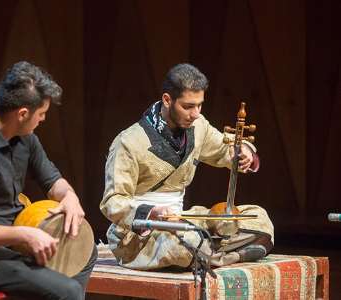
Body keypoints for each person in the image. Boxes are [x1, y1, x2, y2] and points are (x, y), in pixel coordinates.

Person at [100, 63, 273, 271]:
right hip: (139, 234)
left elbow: (224, 148)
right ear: (167, 100)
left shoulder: (198, 126)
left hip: (182, 220)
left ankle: (209, 253)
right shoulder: (129, 142)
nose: (195, 113)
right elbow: (112, 201)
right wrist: (152, 212)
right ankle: (224, 254)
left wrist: (243, 150)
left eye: (200, 105)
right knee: (182, 244)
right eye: (188, 106)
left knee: (260, 219)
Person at [0, 61, 96, 300]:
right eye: (41, 114)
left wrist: (70, 197)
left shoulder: (25, 138)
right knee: (67, 291)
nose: (43, 119)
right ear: (23, 113)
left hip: (14, 245)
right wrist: (26, 235)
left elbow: (52, 180)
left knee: (86, 250)